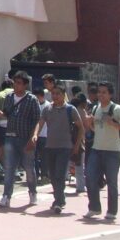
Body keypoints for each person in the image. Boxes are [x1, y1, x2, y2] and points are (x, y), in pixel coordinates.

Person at [0, 70, 41, 208]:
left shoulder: (32, 100)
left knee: (29, 168)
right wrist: (0, 114)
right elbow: (7, 114)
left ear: (25, 85)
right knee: (9, 168)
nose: (16, 85)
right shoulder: (9, 97)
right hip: (10, 137)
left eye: (19, 83)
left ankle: (32, 192)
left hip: (26, 138)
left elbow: (37, 119)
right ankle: (6, 196)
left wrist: (34, 136)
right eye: (15, 82)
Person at [84, 82, 120, 221]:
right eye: (99, 92)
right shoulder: (95, 108)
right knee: (90, 178)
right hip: (96, 149)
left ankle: (111, 211)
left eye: (104, 92)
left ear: (110, 94)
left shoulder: (117, 109)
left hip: (112, 151)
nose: (100, 95)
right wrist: (89, 123)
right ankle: (94, 207)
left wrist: (113, 123)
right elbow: (96, 130)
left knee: (112, 182)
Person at [32, 84, 83, 213]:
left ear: (63, 94)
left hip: (65, 147)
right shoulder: (47, 109)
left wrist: (77, 145)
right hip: (50, 146)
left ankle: (58, 201)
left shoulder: (70, 109)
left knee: (60, 174)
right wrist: (35, 135)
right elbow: (40, 122)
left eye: (58, 94)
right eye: (53, 93)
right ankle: (60, 197)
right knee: (53, 175)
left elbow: (81, 127)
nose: (55, 96)